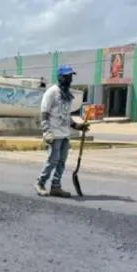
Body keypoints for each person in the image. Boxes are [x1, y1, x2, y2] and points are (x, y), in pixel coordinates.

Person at [35, 65, 90, 197]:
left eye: (70, 77)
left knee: (61, 161)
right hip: (53, 133)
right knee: (53, 160)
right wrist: (46, 131)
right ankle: (40, 183)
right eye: (67, 76)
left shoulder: (67, 95)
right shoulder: (51, 92)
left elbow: (66, 114)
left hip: (65, 133)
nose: (69, 79)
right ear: (60, 77)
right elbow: (44, 113)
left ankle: (56, 186)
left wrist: (76, 126)